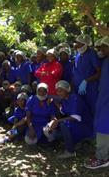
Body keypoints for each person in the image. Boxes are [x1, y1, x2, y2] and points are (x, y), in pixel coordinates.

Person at [45, 80, 93, 159]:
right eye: (57, 91)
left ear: (67, 90)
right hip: (77, 125)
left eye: (61, 91)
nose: (58, 93)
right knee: (53, 127)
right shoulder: (65, 99)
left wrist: (57, 121)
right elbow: (63, 110)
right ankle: (74, 143)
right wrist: (54, 102)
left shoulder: (74, 98)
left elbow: (76, 117)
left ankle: (70, 151)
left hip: (85, 126)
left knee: (63, 124)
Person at [85, 36, 109, 169]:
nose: (101, 50)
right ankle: (103, 153)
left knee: (103, 128)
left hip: (107, 101)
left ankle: (102, 158)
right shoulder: (105, 60)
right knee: (102, 125)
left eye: (104, 47)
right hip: (103, 99)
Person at [73, 35, 101, 117]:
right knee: (82, 112)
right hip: (78, 88)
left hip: (91, 89)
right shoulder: (78, 55)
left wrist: (86, 81)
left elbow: (99, 72)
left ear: (86, 44)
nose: (77, 45)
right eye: (77, 43)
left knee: (93, 111)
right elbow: (75, 72)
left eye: (80, 44)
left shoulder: (92, 54)